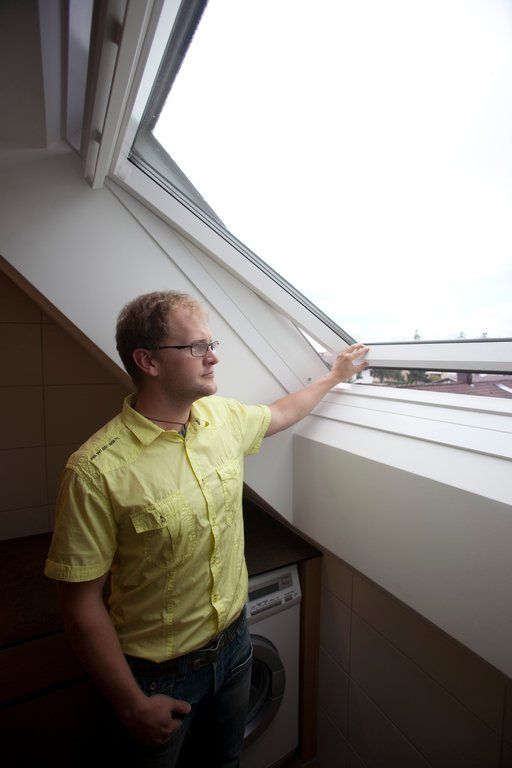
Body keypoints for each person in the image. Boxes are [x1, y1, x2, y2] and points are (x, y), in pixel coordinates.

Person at [45, 290, 368, 767]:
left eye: (211, 344)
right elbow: (80, 604)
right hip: (157, 676)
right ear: (148, 361)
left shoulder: (223, 419)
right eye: (196, 347)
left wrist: (334, 376)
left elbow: (282, 412)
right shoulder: (95, 471)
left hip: (236, 646)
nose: (213, 357)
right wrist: (132, 704)